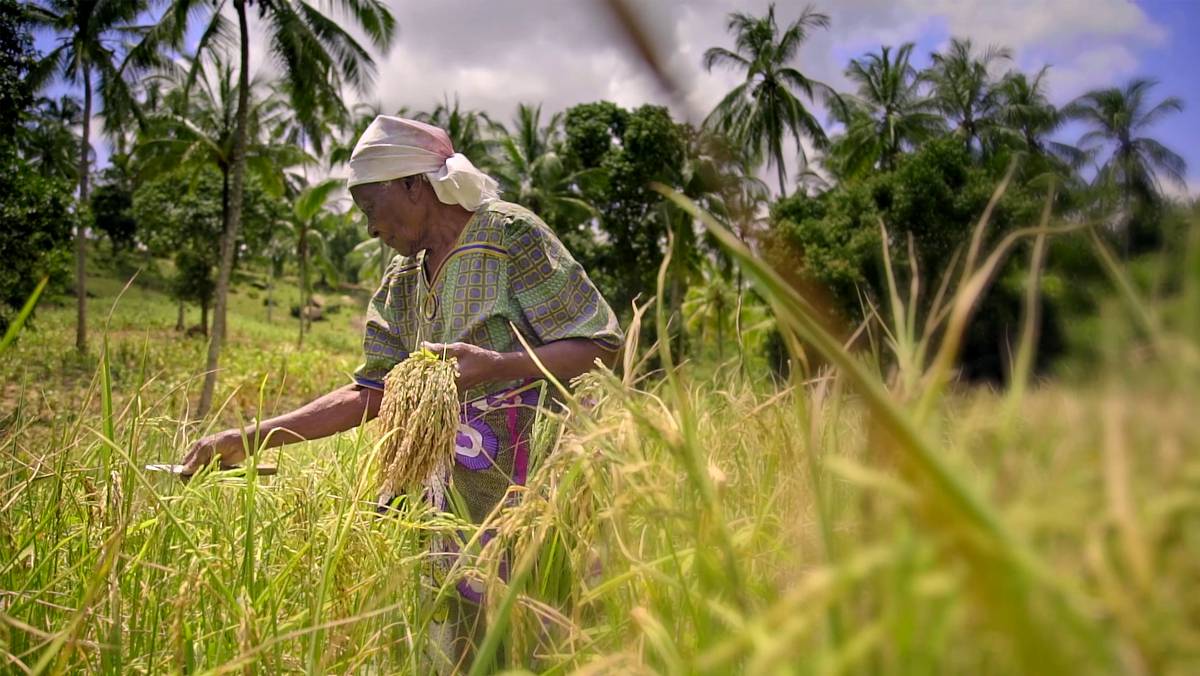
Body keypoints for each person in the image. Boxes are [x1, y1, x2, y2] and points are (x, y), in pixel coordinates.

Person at [180, 115, 623, 666]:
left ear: (415, 185)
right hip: (452, 509)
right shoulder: (402, 280)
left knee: (548, 639)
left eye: (370, 208)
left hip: (540, 498)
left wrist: (497, 365)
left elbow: (603, 344)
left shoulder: (511, 236)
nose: (370, 228)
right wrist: (251, 436)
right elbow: (372, 391)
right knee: (464, 645)